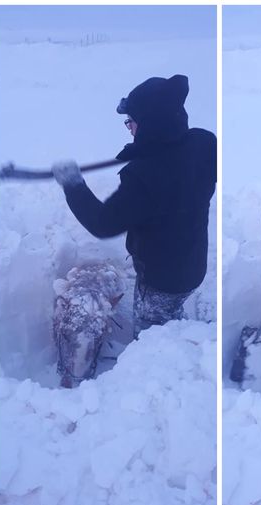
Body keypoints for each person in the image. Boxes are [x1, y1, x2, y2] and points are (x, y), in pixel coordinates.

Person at [51, 74, 217, 338]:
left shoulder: (143, 177)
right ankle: (180, 329)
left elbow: (103, 223)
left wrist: (73, 185)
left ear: (151, 124)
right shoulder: (205, 144)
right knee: (171, 314)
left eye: (132, 122)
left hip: (162, 279)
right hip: (193, 264)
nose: (129, 127)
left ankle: (167, 360)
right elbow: (175, 161)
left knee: (154, 334)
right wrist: (146, 150)